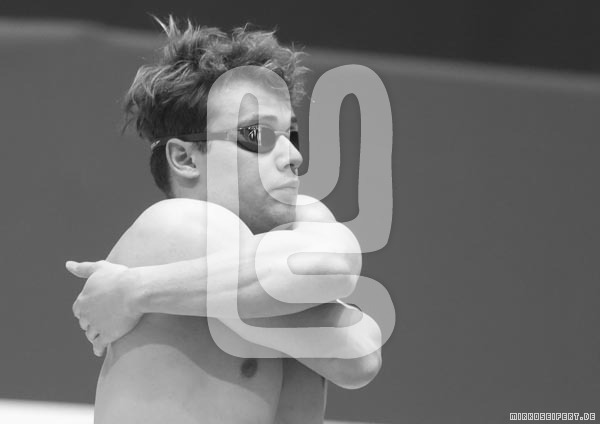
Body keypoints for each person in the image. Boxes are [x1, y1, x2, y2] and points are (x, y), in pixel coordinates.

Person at [66, 17, 382, 424]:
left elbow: (358, 352)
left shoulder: (271, 250)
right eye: (257, 136)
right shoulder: (176, 225)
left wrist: (136, 289)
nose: (293, 156)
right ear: (185, 158)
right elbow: (346, 328)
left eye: (291, 135)